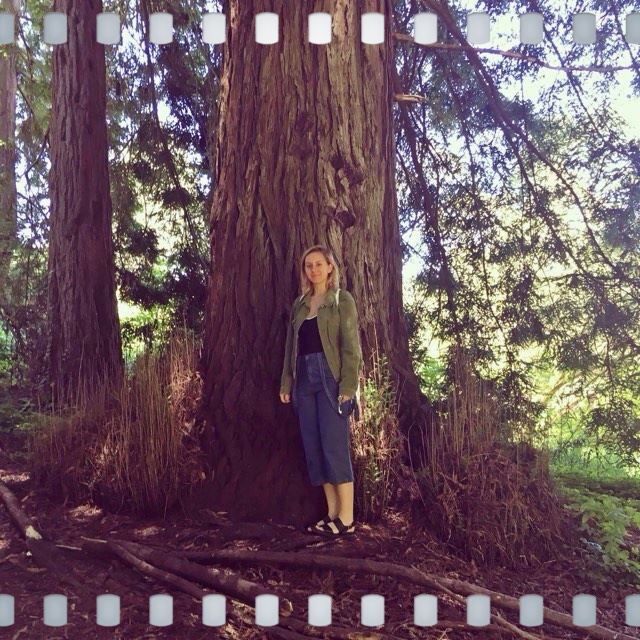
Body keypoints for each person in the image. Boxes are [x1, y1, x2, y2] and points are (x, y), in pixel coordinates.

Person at [279, 244, 362, 536]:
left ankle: (347, 519)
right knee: (314, 448)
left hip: (331, 378)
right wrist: (287, 382)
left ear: (330, 267)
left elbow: (351, 348)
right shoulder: (300, 305)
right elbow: (291, 347)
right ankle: (332, 514)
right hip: (304, 380)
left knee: (334, 445)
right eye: (308, 265)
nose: (314, 269)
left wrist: (348, 386)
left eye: (319, 264)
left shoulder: (341, 299)